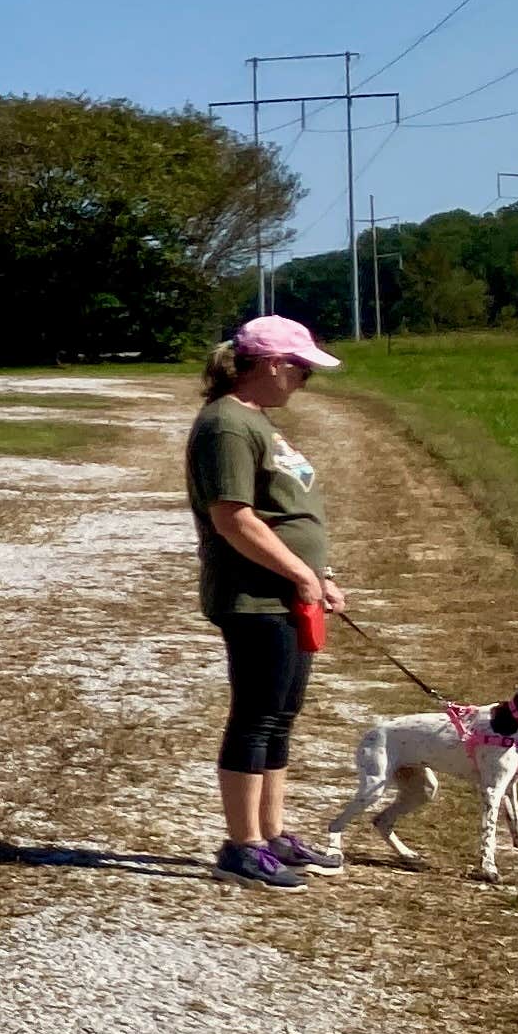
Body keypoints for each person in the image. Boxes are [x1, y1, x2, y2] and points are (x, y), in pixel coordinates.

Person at [187, 312, 346, 889]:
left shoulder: (256, 420)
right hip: (253, 597)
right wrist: (301, 574)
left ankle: (272, 832)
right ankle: (242, 844)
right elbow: (233, 519)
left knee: (281, 716)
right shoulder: (227, 425)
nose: (306, 380)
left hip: (286, 593)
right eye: (302, 369)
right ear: (272, 365)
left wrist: (317, 574)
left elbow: (284, 511)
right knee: (255, 719)